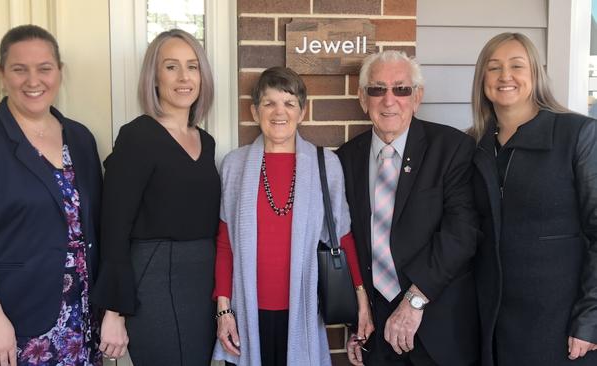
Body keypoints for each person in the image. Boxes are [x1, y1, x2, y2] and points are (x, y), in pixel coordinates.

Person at [0, 24, 103, 366]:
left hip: (77, 320)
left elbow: (92, 228)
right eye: (20, 69)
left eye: (44, 69)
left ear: (59, 72)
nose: (34, 81)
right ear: (2, 74)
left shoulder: (79, 138)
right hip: (2, 321)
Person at [211, 66, 374, 366]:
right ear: (254, 110)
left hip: (303, 308)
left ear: (302, 111)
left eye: (289, 103)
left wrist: (361, 296)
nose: (278, 112)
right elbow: (225, 244)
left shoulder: (326, 164)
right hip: (248, 311)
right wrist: (224, 310)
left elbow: (344, 237)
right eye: (269, 103)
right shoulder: (234, 166)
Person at [337, 50, 480, 366]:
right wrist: (356, 320)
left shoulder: (452, 149)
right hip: (375, 331)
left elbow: (462, 233)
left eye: (401, 89)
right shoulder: (346, 159)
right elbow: (349, 243)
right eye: (377, 89)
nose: (389, 100)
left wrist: (414, 300)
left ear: (417, 97)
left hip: (437, 326)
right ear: (363, 98)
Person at [90, 29, 220, 365]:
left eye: (192, 67)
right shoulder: (138, 136)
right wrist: (115, 311)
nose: (184, 77)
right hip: (155, 279)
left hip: (201, 282)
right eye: (171, 66)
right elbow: (114, 225)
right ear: (154, 77)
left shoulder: (206, 142)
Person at [470, 32, 597, 365]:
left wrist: (590, 319)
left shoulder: (577, 135)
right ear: (482, 78)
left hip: (561, 328)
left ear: (535, 74)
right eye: (493, 67)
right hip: (493, 327)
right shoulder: (473, 147)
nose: (505, 76)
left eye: (516, 65)